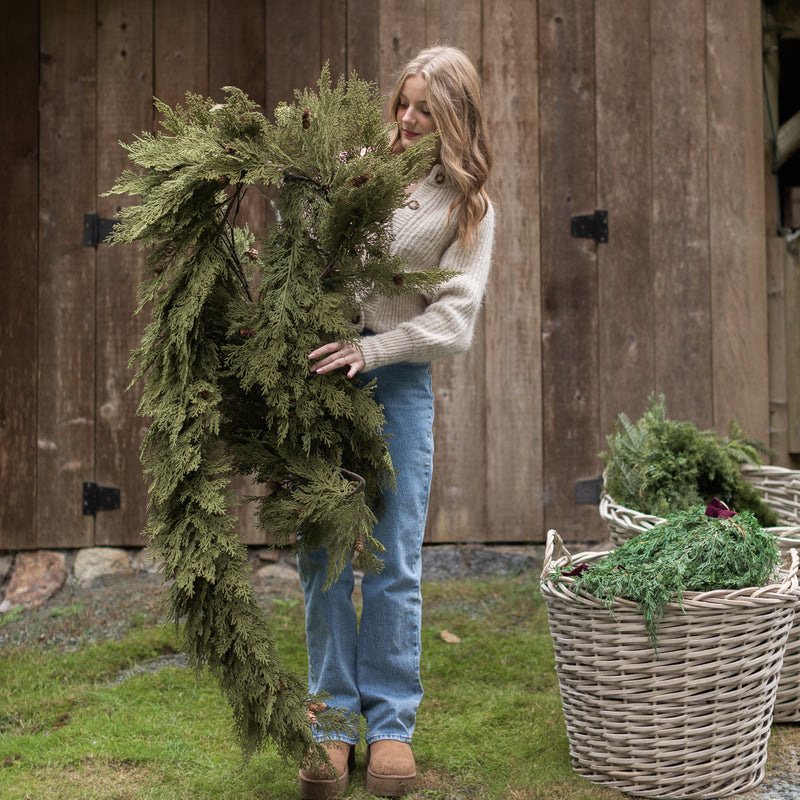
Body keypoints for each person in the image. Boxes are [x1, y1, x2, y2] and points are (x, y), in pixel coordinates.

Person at [298, 44, 495, 799]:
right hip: (321, 382)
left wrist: (372, 348)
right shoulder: (356, 165)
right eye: (403, 103)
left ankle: (390, 727)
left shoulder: (467, 205)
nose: (407, 119)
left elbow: (455, 321)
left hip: (397, 385)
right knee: (321, 558)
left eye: (424, 109)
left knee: (391, 561)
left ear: (455, 117)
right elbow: (307, 240)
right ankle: (332, 724)